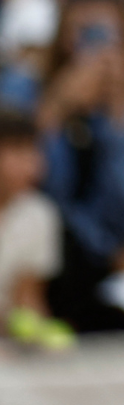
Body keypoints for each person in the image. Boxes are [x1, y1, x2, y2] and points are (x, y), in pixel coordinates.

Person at [39, 0, 124, 332]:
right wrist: (57, 108)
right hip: (44, 256)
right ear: (62, 37)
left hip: (111, 262)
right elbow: (33, 187)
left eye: (107, 34)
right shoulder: (28, 92)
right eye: (84, 32)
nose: (97, 49)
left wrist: (117, 121)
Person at [0, 111, 62, 338]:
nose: (33, 164)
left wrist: (40, 335)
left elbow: (27, 298)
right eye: (18, 151)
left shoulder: (39, 214)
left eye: (35, 151)